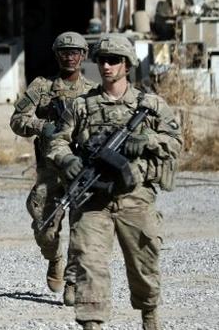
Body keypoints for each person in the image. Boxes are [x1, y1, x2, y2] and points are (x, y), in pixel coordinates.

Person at [47, 34, 182, 330]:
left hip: (135, 198)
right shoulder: (81, 105)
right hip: (93, 200)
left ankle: (150, 317)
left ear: (127, 65)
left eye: (114, 60)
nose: (106, 66)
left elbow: (175, 143)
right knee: (88, 264)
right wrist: (67, 160)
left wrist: (147, 138)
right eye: (102, 60)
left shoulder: (151, 104)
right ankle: (92, 324)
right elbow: (57, 142)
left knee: (144, 267)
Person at [10, 31, 96, 305]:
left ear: (83, 55)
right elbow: (17, 119)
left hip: (83, 169)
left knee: (83, 230)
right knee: (44, 228)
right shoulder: (42, 86)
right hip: (50, 170)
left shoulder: (94, 91)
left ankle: (72, 280)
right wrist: (41, 126)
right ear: (56, 55)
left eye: (75, 52)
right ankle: (54, 258)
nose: (70, 57)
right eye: (64, 52)